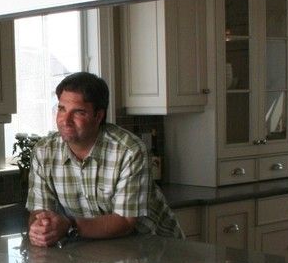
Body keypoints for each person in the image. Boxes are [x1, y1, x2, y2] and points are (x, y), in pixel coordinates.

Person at [26, 72, 183, 247]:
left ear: (98, 116)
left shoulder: (129, 151)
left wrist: (69, 225)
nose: (65, 120)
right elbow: (39, 209)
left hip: (158, 249)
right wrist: (42, 226)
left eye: (78, 112)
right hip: (100, 248)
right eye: (62, 109)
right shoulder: (43, 152)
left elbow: (125, 222)